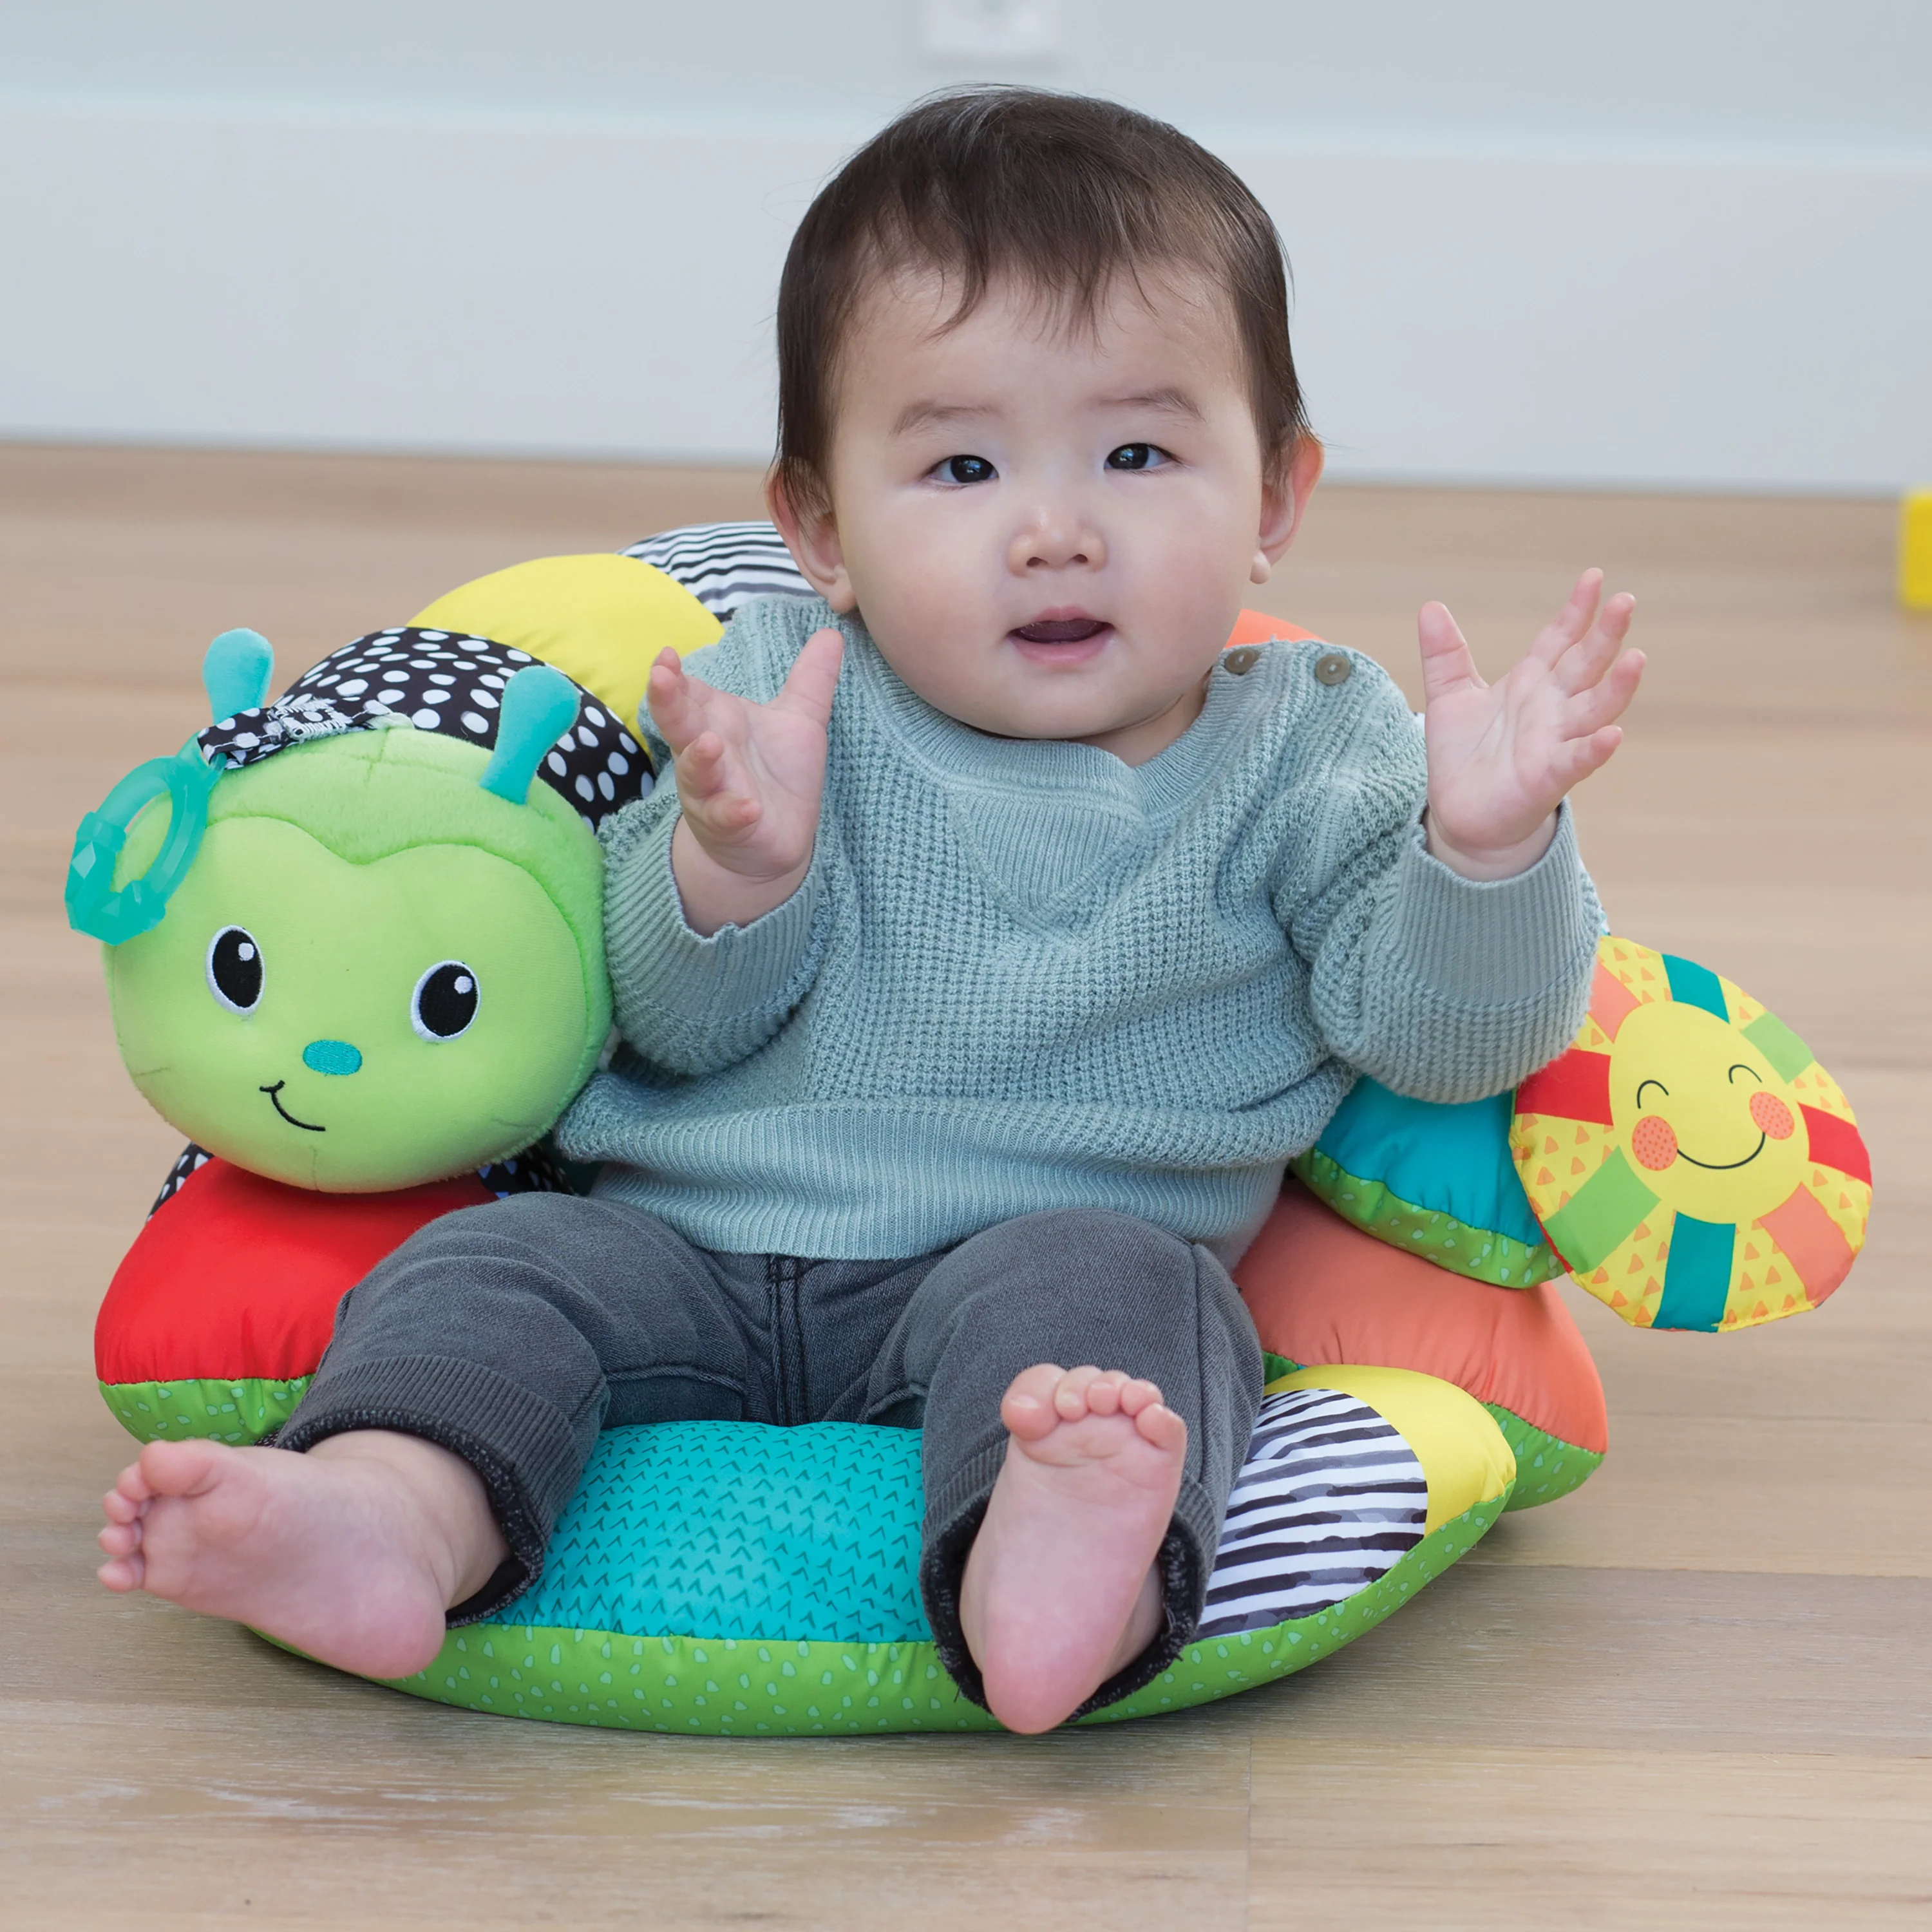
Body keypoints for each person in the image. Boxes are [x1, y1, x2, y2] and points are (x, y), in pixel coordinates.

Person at [97, 88, 1641, 1735]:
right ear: (822, 530)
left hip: (1040, 1258)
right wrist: (733, 869)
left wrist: (1484, 848)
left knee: (1134, 1323)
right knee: (491, 1269)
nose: (1056, 532)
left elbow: (1440, 1040)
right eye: (962, 465)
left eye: (1137, 454)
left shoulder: (1318, 748)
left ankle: (1058, 1573)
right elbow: (662, 1021)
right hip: (678, 1242)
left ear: (1273, 492)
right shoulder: (781, 691)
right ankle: (387, 1514)